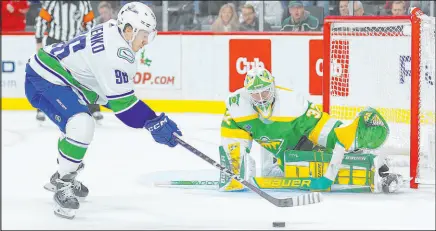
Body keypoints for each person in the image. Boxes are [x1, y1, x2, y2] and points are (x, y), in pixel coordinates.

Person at [24, 2, 182, 219]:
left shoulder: (111, 28)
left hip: (65, 76)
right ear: (129, 30)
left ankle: (64, 172)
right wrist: (152, 121)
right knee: (81, 123)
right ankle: (63, 181)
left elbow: (113, 96)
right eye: (144, 35)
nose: (146, 41)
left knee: (76, 123)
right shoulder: (115, 54)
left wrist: (151, 119)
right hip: (45, 78)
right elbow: (124, 108)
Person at [218, 67, 402, 193]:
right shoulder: (237, 105)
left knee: (336, 163)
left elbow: (323, 129)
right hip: (283, 157)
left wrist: (344, 137)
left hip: (306, 147)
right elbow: (232, 138)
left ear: (272, 87)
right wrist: (235, 165)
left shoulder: (292, 103)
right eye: (255, 94)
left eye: (264, 92)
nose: (261, 98)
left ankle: (377, 166)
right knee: (279, 170)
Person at [33, 1, 103, 123]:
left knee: (85, 75)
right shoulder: (52, 2)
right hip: (54, 42)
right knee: (50, 76)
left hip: (74, 44)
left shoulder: (83, 3)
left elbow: (90, 23)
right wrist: (39, 41)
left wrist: (90, 42)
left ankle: (93, 107)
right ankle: (42, 108)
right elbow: (41, 20)